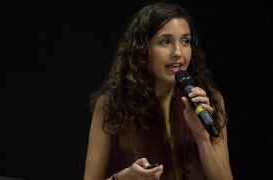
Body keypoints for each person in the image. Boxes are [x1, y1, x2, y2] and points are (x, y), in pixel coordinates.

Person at [84, 2, 233, 180]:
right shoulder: (111, 105)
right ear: (143, 49)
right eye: (165, 41)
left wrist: (202, 137)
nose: (178, 52)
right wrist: (123, 178)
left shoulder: (208, 100)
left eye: (185, 41)